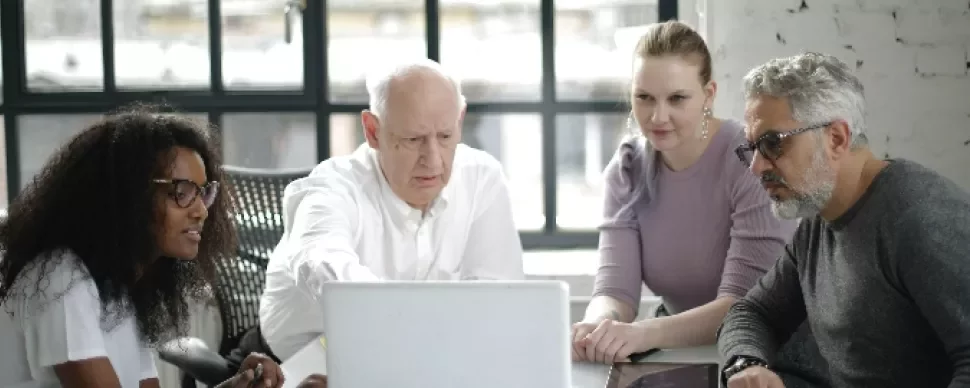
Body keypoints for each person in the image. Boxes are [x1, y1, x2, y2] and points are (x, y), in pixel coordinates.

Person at [571, 21, 827, 387]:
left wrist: (643, 334)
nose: (658, 116)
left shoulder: (750, 160)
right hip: (680, 355)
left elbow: (742, 307)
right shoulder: (627, 168)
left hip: (768, 361)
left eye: (677, 98)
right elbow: (615, 291)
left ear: (708, 94)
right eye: (644, 97)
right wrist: (597, 326)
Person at [0, 105, 327, 388]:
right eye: (182, 191)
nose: (201, 211)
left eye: (203, 193)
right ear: (127, 195)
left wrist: (241, 384)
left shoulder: (123, 287)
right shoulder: (61, 280)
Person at [718, 52, 970, 388]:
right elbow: (752, 313)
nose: (756, 167)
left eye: (773, 143)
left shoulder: (920, 217)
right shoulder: (817, 220)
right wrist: (747, 365)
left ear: (836, 138)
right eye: (752, 148)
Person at [259, 57, 525, 361]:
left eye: (446, 136)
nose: (434, 161)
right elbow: (321, 263)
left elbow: (498, 298)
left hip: (415, 361)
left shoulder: (481, 178)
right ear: (373, 131)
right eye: (413, 139)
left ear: (460, 121)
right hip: (299, 365)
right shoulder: (331, 188)